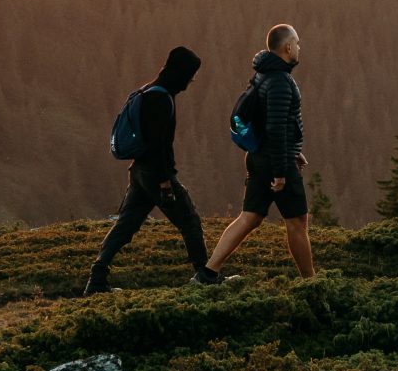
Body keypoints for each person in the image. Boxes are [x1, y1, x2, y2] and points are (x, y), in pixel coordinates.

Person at [85, 45, 223, 294]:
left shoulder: (148, 91)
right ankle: (205, 276)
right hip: (155, 174)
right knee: (189, 220)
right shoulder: (161, 99)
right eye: (191, 73)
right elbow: (159, 145)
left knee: (125, 225)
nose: (192, 79)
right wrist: (165, 182)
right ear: (181, 72)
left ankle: (96, 279)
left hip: (139, 172)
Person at [205, 24, 314, 280]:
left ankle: (208, 272)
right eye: (297, 43)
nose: (299, 47)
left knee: (250, 217)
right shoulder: (280, 82)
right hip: (276, 163)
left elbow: (273, 124)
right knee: (297, 222)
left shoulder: (263, 75)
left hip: (261, 157)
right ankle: (311, 282)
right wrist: (280, 171)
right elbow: (276, 127)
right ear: (288, 47)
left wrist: (294, 150)